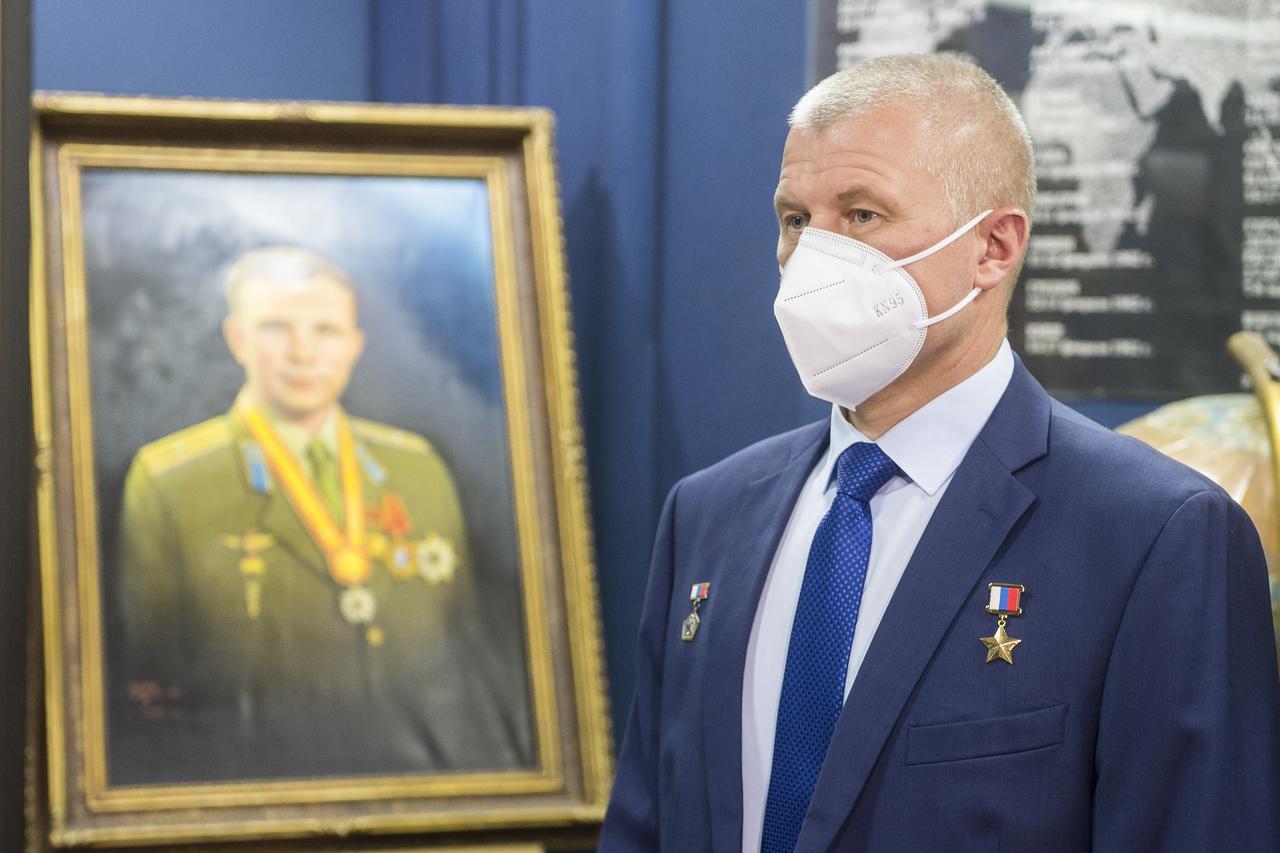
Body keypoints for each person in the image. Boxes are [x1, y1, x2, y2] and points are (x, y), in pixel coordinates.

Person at [601, 54, 1280, 852]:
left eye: (861, 215)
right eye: (793, 218)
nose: (808, 257)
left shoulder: (1157, 536)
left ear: (993, 246)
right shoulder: (707, 515)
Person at [112, 246, 533, 784]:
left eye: (326, 331)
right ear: (237, 339)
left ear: (355, 346)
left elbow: (460, 649)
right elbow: (155, 674)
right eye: (276, 328)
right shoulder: (171, 481)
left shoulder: (418, 469)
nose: (302, 353)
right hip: (252, 787)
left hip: (422, 786)